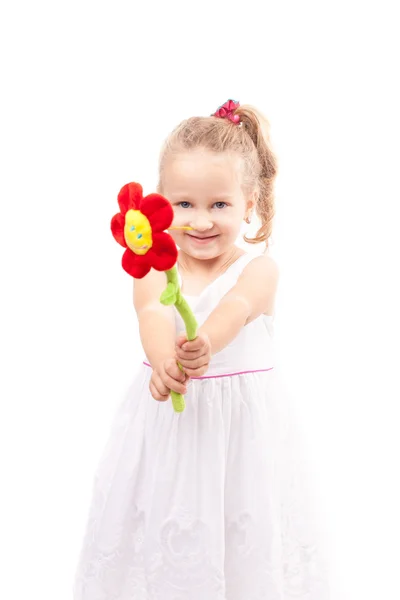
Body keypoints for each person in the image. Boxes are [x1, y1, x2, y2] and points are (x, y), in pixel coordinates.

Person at [73, 100, 330, 599]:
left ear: (249, 204)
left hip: (241, 435)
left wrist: (206, 341)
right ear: (160, 205)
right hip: (168, 427)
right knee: (162, 527)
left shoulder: (259, 269)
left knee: (243, 532)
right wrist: (164, 358)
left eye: (219, 205)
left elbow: (235, 308)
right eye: (184, 205)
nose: (200, 221)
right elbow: (150, 312)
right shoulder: (152, 266)